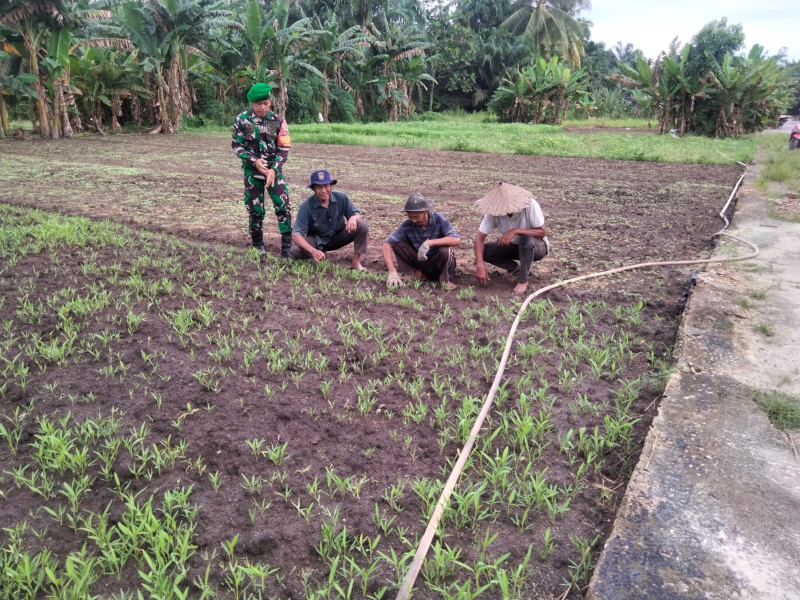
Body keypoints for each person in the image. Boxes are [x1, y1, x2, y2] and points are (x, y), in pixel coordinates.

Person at [231, 82, 293, 257]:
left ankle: (287, 247)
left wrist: (274, 169)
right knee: (255, 209)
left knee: (283, 206)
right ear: (252, 103)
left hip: (274, 172)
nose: (263, 107)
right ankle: (257, 244)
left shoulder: (278, 120)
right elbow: (237, 146)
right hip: (252, 173)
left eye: (266, 103)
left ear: (270, 102)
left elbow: (284, 147)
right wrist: (254, 161)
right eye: (259, 104)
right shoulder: (242, 120)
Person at [474, 181, 548, 295]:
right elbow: (479, 239)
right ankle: (515, 269)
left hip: (536, 247)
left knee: (525, 239)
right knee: (485, 250)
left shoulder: (530, 205)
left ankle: (523, 280)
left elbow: (542, 232)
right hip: (514, 246)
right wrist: (480, 266)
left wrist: (516, 231)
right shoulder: (494, 211)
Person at [290, 169, 368, 270]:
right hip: (317, 241)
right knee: (295, 250)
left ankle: (355, 263)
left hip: (338, 237)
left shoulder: (341, 197)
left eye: (326, 186)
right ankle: (319, 255)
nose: (323, 190)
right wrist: (313, 251)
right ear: (313, 189)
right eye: (319, 187)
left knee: (362, 224)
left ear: (331, 186)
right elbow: (296, 235)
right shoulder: (306, 206)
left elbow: (357, 214)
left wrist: (353, 218)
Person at [383, 193, 461, 290]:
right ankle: (416, 274)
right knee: (398, 245)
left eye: (416, 216)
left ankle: (445, 280)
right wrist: (392, 271)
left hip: (439, 262)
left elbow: (456, 239)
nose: (414, 220)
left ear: (426, 212)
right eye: (410, 217)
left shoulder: (439, 219)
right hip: (422, 262)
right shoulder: (407, 225)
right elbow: (387, 244)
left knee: (445, 251)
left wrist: (430, 243)